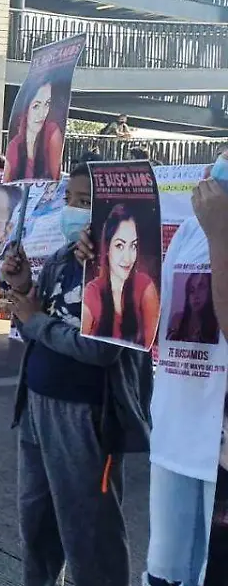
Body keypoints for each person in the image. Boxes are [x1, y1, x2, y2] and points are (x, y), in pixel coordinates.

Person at [3, 153, 150, 586]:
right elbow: (33, 320)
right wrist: (24, 287)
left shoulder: (127, 265)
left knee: (90, 536)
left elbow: (101, 351)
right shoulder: (65, 258)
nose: (71, 208)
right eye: (69, 197)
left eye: (84, 200)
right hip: (37, 407)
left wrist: (36, 320)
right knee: (37, 527)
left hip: (85, 417)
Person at [140, 153, 228, 586]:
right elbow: (157, 314)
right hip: (177, 428)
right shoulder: (192, 229)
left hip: (221, 446)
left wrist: (221, 236)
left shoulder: (213, 228)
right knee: (167, 569)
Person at [79, 203, 161, 350]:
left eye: (133, 246)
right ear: (107, 248)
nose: (128, 257)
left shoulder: (145, 287)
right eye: (119, 246)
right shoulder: (92, 292)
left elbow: (148, 347)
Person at [4, 79, 65, 181]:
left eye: (47, 104)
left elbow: (55, 180)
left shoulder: (52, 132)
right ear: (25, 109)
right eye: (36, 106)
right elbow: (6, 185)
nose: (42, 114)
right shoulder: (14, 145)